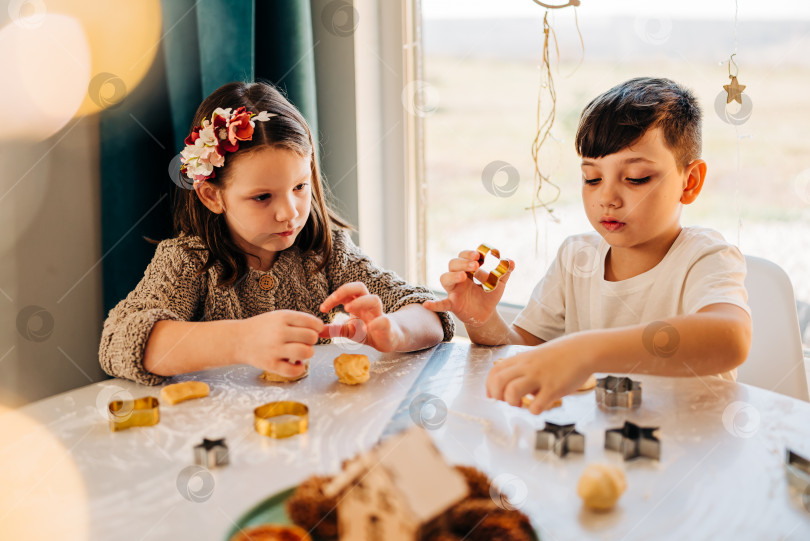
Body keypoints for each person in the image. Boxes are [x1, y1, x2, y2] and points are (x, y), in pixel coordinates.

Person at [425, 77, 751, 414]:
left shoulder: (706, 257)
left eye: (636, 178)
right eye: (592, 178)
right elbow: (523, 349)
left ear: (690, 182)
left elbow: (730, 338)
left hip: (693, 450)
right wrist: (481, 320)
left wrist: (585, 350)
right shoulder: (576, 256)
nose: (606, 198)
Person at [99, 81, 452, 385]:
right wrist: (241, 340)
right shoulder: (189, 260)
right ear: (211, 195)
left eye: (299, 187)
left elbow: (429, 313)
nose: (290, 212)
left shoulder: (326, 251)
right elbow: (117, 341)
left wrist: (393, 331)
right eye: (262, 197)